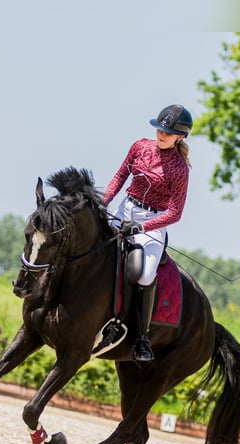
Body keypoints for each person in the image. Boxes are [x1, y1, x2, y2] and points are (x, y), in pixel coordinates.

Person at [102, 104, 193, 363]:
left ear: (180, 137)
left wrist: (141, 227)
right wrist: (103, 203)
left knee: (145, 274)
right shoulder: (140, 146)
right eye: (159, 129)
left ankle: (141, 337)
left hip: (152, 221)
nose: (161, 134)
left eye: (167, 132)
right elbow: (120, 176)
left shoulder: (179, 170)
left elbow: (175, 213)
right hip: (125, 208)